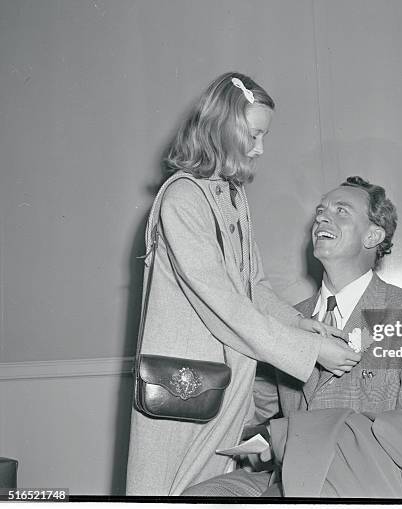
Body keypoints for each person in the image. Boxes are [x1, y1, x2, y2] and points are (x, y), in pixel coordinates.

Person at [125, 73, 361, 496]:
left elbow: (253, 287)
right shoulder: (182, 199)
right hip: (186, 390)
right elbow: (223, 307)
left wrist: (302, 325)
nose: (260, 148)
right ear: (223, 128)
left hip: (230, 386)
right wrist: (308, 352)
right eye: (254, 135)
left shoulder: (231, 196)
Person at [183, 176, 402, 498]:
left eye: (341, 210)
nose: (321, 217)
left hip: (376, 483)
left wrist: (288, 439)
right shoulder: (286, 322)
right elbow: (253, 411)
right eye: (320, 210)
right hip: (288, 480)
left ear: (372, 235)